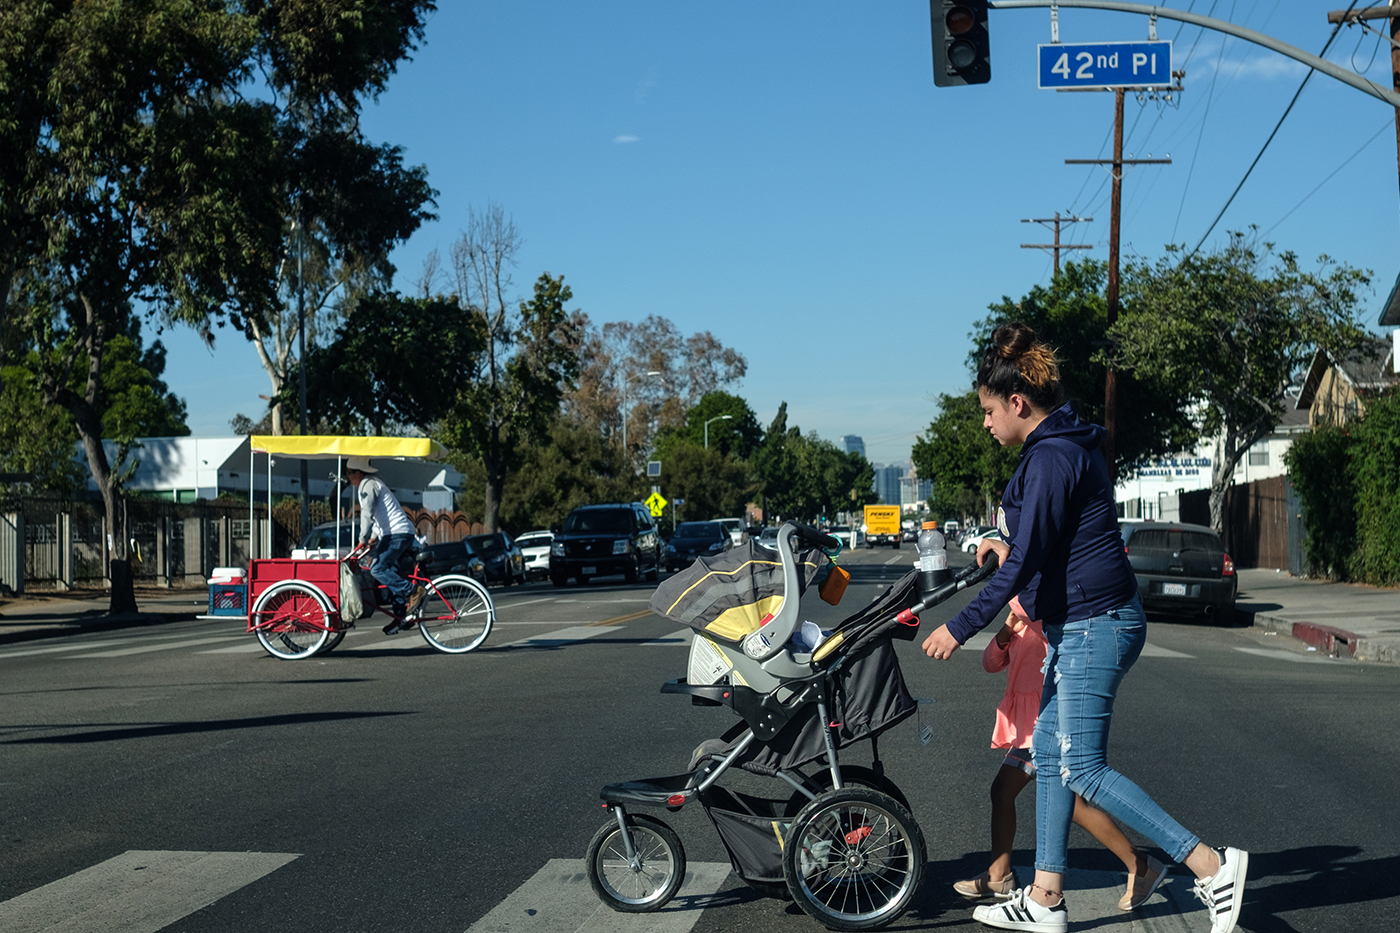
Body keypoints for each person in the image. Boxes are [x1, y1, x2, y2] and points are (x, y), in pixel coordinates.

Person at [921, 323, 1248, 933]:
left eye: (990, 411)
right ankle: (1046, 897)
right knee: (1046, 754)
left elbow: (1027, 561)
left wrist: (961, 626)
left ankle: (1209, 865)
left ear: (1018, 403)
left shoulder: (1052, 454)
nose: (987, 423)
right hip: (1078, 620)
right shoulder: (1055, 448)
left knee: (1083, 768)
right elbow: (1037, 541)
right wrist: (1001, 539)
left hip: (1097, 622)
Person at [953, 596, 1166, 913]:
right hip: (1029, 726)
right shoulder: (1020, 626)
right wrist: (1004, 632)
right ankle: (999, 875)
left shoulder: (1046, 623)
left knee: (1073, 805)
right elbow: (990, 663)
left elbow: (1040, 626)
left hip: (1048, 720)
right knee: (1004, 791)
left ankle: (1142, 865)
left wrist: (1017, 596)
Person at [346, 457, 424, 629]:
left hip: (396, 534)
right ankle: (401, 616)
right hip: (397, 533)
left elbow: (367, 513)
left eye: (348, 473)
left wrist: (362, 539)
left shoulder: (367, 485)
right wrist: (373, 537)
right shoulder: (374, 483)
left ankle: (413, 591)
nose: (347, 477)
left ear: (358, 473)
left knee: (377, 569)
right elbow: (379, 515)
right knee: (390, 572)